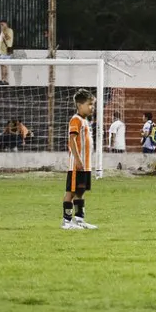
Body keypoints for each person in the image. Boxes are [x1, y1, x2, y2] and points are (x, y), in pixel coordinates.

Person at [62, 89, 98, 230]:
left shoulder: (84, 120)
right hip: (77, 164)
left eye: (92, 104)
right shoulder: (75, 119)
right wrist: (77, 160)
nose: (92, 107)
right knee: (71, 192)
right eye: (89, 104)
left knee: (80, 191)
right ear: (79, 105)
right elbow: (72, 140)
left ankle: (79, 220)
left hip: (86, 164)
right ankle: (66, 221)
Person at [0, 19, 14, 85]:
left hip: (6, 51)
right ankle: (2, 79)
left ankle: (5, 80)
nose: (1, 26)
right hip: (0, 51)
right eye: (0, 25)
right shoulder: (2, 31)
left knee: (5, 66)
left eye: (2, 24)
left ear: (6, 24)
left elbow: (8, 39)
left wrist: (4, 32)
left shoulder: (9, 30)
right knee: (1, 66)